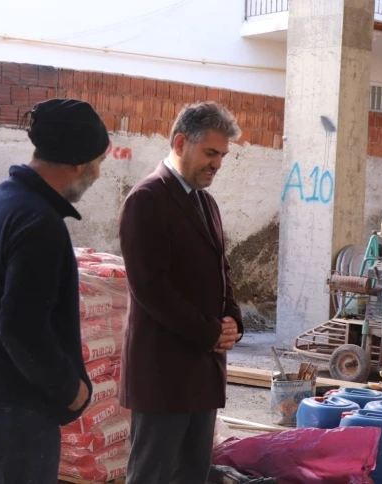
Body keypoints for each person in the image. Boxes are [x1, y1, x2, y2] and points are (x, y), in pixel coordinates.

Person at [0, 98, 110, 484]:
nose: (98, 174)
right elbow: (21, 328)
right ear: (78, 162)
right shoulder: (39, 223)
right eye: (98, 163)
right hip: (13, 411)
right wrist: (69, 389)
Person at [119, 101, 244, 484]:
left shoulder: (206, 203)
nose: (217, 164)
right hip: (163, 372)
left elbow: (221, 270)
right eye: (210, 153)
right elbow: (150, 288)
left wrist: (233, 320)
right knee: (154, 474)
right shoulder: (147, 199)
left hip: (202, 372)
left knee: (192, 473)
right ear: (179, 142)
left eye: (221, 155)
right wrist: (209, 332)